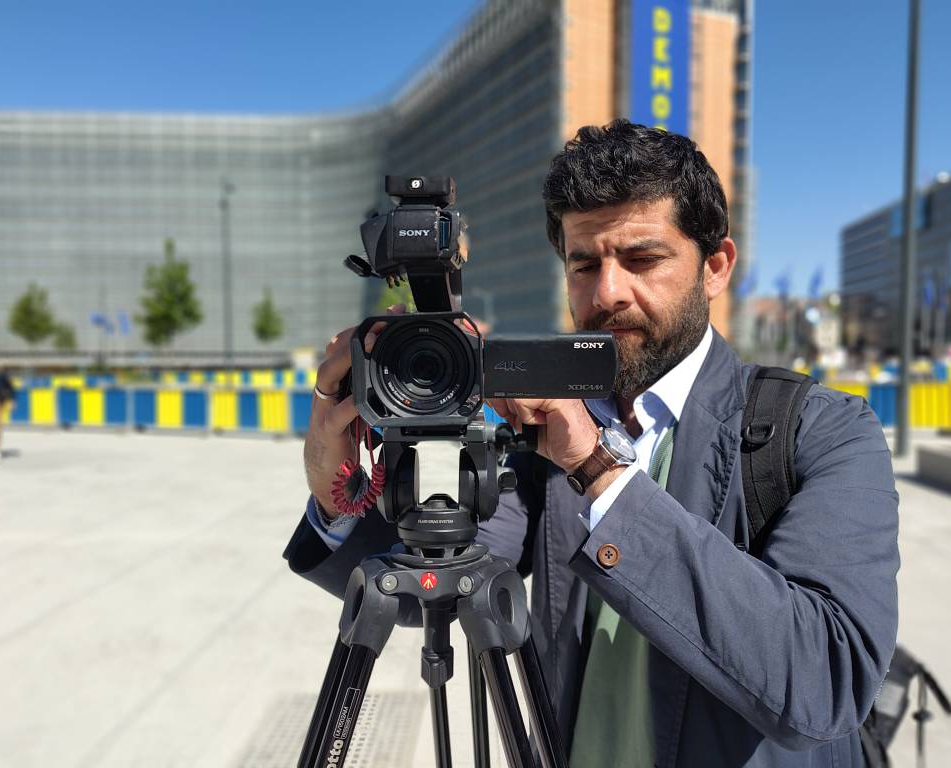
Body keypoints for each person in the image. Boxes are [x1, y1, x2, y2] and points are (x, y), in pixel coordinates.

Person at [285, 120, 899, 767]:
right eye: (584, 264)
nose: (607, 293)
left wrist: (598, 470)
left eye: (642, 259)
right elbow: (434, 582)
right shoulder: (543, 441)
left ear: (715, 267)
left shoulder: (824, 430)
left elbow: (826, 680)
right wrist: (336, 493)